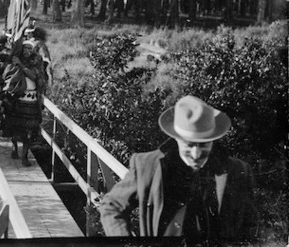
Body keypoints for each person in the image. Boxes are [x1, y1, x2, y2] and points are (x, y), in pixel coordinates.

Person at [99, 95, 256, 243]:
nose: (196, 154)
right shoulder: (147, 166)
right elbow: (111, 206)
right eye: (188, 144)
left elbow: (250, 226)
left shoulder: (238, 171)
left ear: (213, 139)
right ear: (176, 138)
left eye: (204, 144)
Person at [1, 38, 47, 167]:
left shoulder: (36, 61)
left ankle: (25, 155)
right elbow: (7, 74)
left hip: (32, 100)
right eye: (24, 48)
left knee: (30, 129)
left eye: (29, 49)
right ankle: (15, 147)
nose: (27, 51)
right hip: (17, 99)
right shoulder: (14, 60)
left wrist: (21, 65)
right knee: (15, 127)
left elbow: (35, 76)